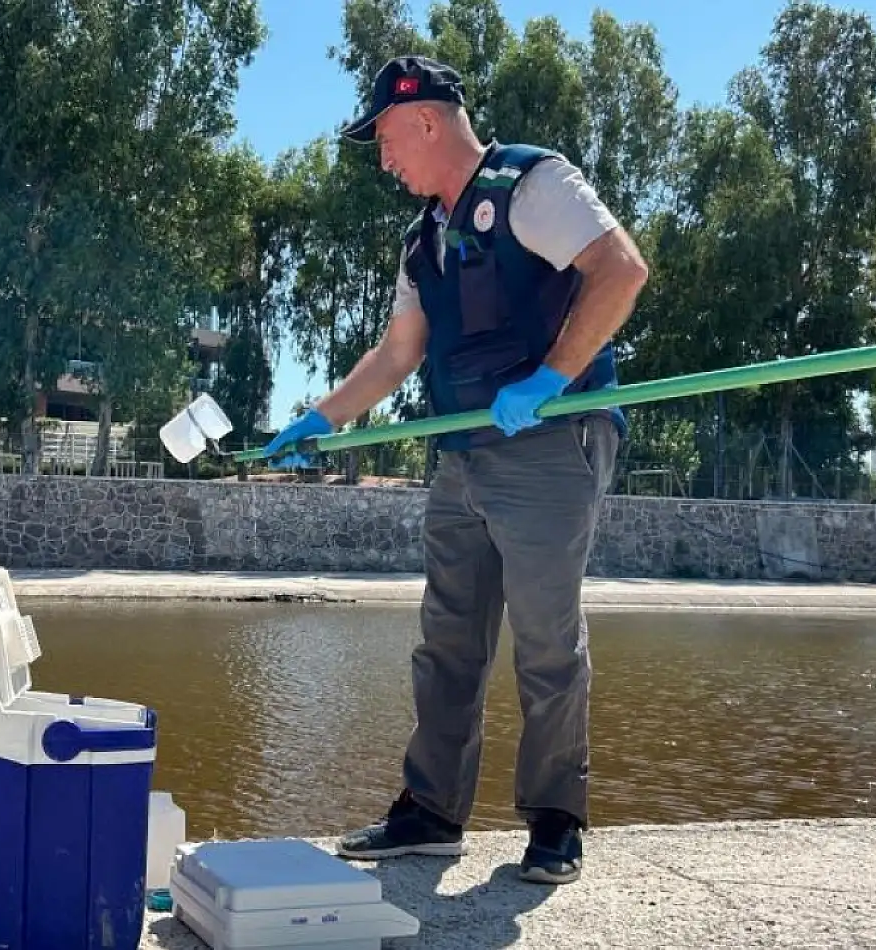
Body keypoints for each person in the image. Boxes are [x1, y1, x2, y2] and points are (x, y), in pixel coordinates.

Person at [261, 55, 649, 885]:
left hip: (551, 441)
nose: (383, 159)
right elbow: (398, 353)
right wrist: (320, 419)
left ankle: (554, 820)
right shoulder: (422, 242)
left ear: (427, 121)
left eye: (387, 140)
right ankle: (431, 813)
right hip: (463, 453)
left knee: (546, 639)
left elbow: (621, 271)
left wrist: (551, 379)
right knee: (446, 640)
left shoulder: (531, 185)